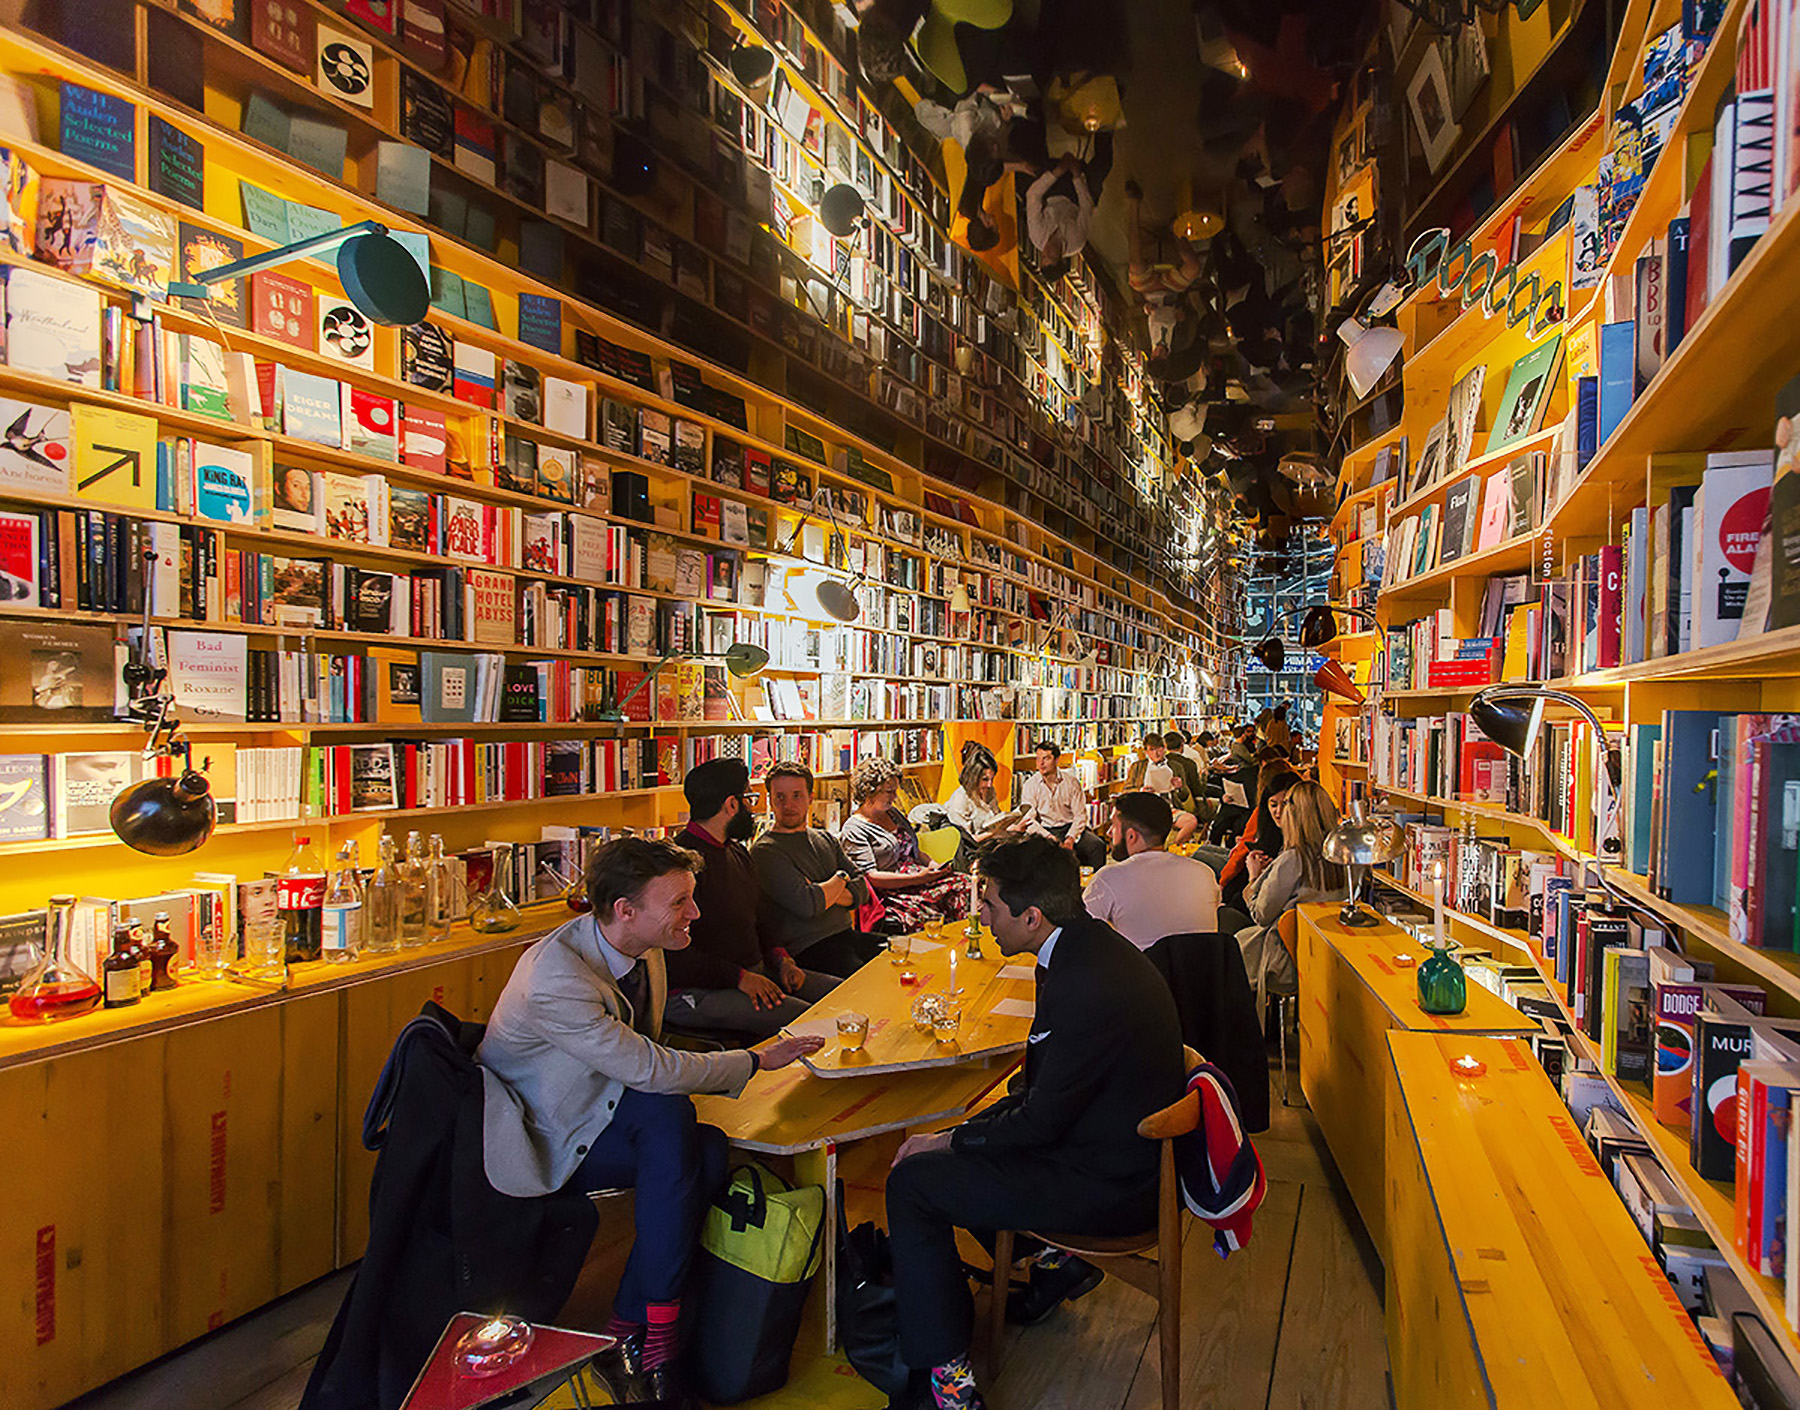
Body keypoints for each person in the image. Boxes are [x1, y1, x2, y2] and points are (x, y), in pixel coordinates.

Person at [477, 838, 826, 1407]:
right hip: (546, 1133)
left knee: (707, 1151)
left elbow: (645, 1056)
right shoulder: (557, 978)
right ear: (625, 910)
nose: (695, 913)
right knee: (675, 1121)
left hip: (604, 1105)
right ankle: (651, 1334)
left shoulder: (646, 948)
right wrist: (757, 1060)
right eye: (681, 902)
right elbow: (647, 1065)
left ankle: (632, 1330)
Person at [884, 837, 1186, 1410]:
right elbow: (1040, 1094)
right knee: (958, 1146)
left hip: (1110, 1187)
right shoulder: (1087, 949)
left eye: (990, 905)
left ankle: (947, 1383)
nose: (980, 916)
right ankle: (1051, 1265)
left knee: (912, 1183)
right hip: (1112, 1150)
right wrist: (958, 1135)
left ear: (1030, 915)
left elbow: (1039, 1119)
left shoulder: (1081, 982)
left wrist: (947, 1139)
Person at [665, 758, 837, 1039]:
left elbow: (759, 917)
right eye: (750, 798)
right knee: (815, 1024)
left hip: (753, 973)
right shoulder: (677, 864)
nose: (753, 807)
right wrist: (740, 977)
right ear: (732, 805)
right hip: (700, 990)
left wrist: (782, 960)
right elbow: (672, 952)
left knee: (846, 994)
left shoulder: (737, 852)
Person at [749, 761, 884, 979]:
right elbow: (808, 904)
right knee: (866, 978)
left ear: (810, 798)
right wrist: (841, 877)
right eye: (780, 797)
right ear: (770, 800)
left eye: (796, 795)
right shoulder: (765, 851)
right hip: (807, 947)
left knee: (905, 952)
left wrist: (823, 890)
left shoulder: (824, 838)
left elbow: (863, 887)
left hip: (846, 935)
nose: (788, 805)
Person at [1240, 780, 1345, 1009]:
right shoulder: (1344, 857)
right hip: (1324, 955)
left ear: (1294, 813)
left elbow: (1261, 914)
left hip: (1284, 958)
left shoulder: (1294, 859)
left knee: (1225, 927)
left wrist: (1253, 878)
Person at [838, 757, 972, 931]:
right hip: (895, 888)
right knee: (933, 908)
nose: (895, 797)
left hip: (918, 878)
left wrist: (933, 865)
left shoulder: (893, 813)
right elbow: (870, 877)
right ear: (870, 791)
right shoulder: (855, 828)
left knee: (967, 884)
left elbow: (914, 851)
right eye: (889, 791)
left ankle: (964, 944)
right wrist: (918, 878)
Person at [1082, 791, 1221, 948]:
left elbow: (1080, 935)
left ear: (1131, 836)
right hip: (1202, 971)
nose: (1108, 833)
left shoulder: (1108, 879)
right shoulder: (1204, 873)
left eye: (1113, 826)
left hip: (1137, 971)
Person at [1219, 763, 1303, 912]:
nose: (1278, 812)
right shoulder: (1270, 833)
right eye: (1273, 805)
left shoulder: (1293, 852)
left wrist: (1254, 876)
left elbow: (1262, 912)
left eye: (1285, 804)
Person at [1019, 740, 1106, 867]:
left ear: (1056, 760)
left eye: (1046, 758)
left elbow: (1080, 816)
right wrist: (1048, 837)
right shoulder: (1030, 785)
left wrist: (1070, 838)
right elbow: (1029, 820)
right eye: (1038, 759)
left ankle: (1097, 885)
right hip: (1044, 830)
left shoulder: (1071, 782)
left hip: (1068, 828)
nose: (1041, 763)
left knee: (1097, 845)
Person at [1123, 734, 1198, 844]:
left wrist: (1180, 787)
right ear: (1146, 752)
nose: (1156, 753)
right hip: (1144, 810)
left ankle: (1171, 850)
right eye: (1152, 750)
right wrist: (1140, 791)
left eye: (1160, 749)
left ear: (1165, 749)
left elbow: (1184, 796)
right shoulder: (1137, 767)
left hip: (1169, 808)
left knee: (1191, 821)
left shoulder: (1176, 767)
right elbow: (1125, 791)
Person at [944, 748, 1028, 843]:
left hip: (991, 842)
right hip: (972, 849)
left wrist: (1015, 827)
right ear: (973, 777)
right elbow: (967, 841)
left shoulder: (989, 791)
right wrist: (992, 833)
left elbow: (996, 822)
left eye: (992, 779)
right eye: (985, 779)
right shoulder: (961, 797)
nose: (989, 784)